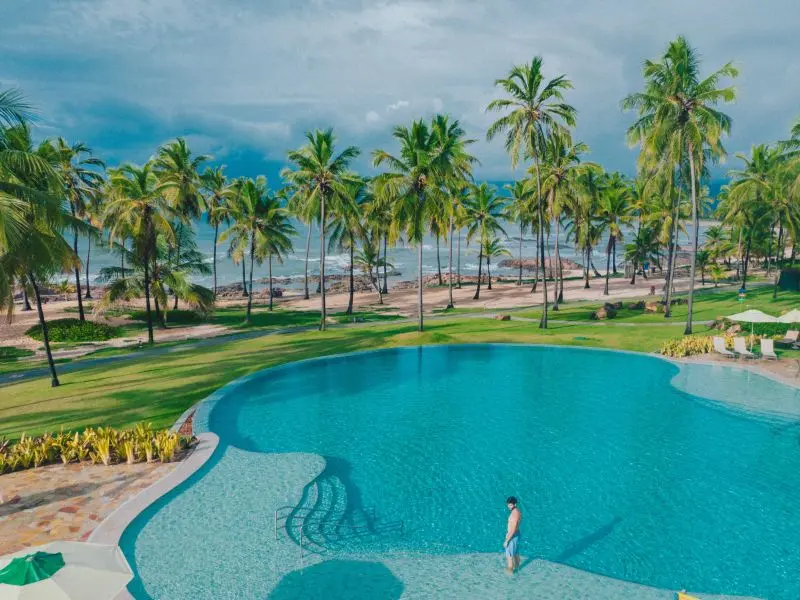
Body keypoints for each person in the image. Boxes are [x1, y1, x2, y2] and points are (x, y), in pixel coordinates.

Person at [503, 496, 522, 573]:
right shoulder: (517, 511)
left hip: (512, 536)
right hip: (516, 534)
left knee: (509, 555)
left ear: (515, 504)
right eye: (508, 504)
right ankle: (518, 568)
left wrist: (506, 541)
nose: (508, 506)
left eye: (510, 505)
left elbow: (513, 529)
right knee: (515, 553)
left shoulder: (514, 514)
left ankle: (510, 571)